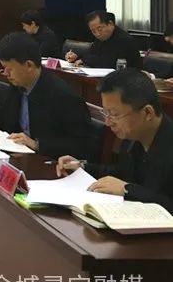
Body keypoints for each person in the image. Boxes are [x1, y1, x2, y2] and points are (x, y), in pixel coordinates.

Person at [0, 33, 97, 160]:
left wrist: (37, 144)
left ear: (29, 65)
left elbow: (83, 145)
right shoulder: (19, 84)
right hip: (20, 155)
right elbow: (4, 111)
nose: (5, 73)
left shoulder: (63, 96)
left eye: (9, 68)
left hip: (48, 163)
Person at [56, 69, 173, 213]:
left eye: (115, 114)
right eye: (106, 113)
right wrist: (82, 167)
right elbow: (121, 173)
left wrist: (127, 189)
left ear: (147, 112)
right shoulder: (132, 136)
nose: (108, 122)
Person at [66, 10, 142, 69]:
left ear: (110, 24)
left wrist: (83, 60)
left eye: (100, 29)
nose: (97, 34)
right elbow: (92, 54)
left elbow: (108, 63)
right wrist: (76, 57)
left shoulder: (124, 40)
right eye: (93, 31)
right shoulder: (102, 38)